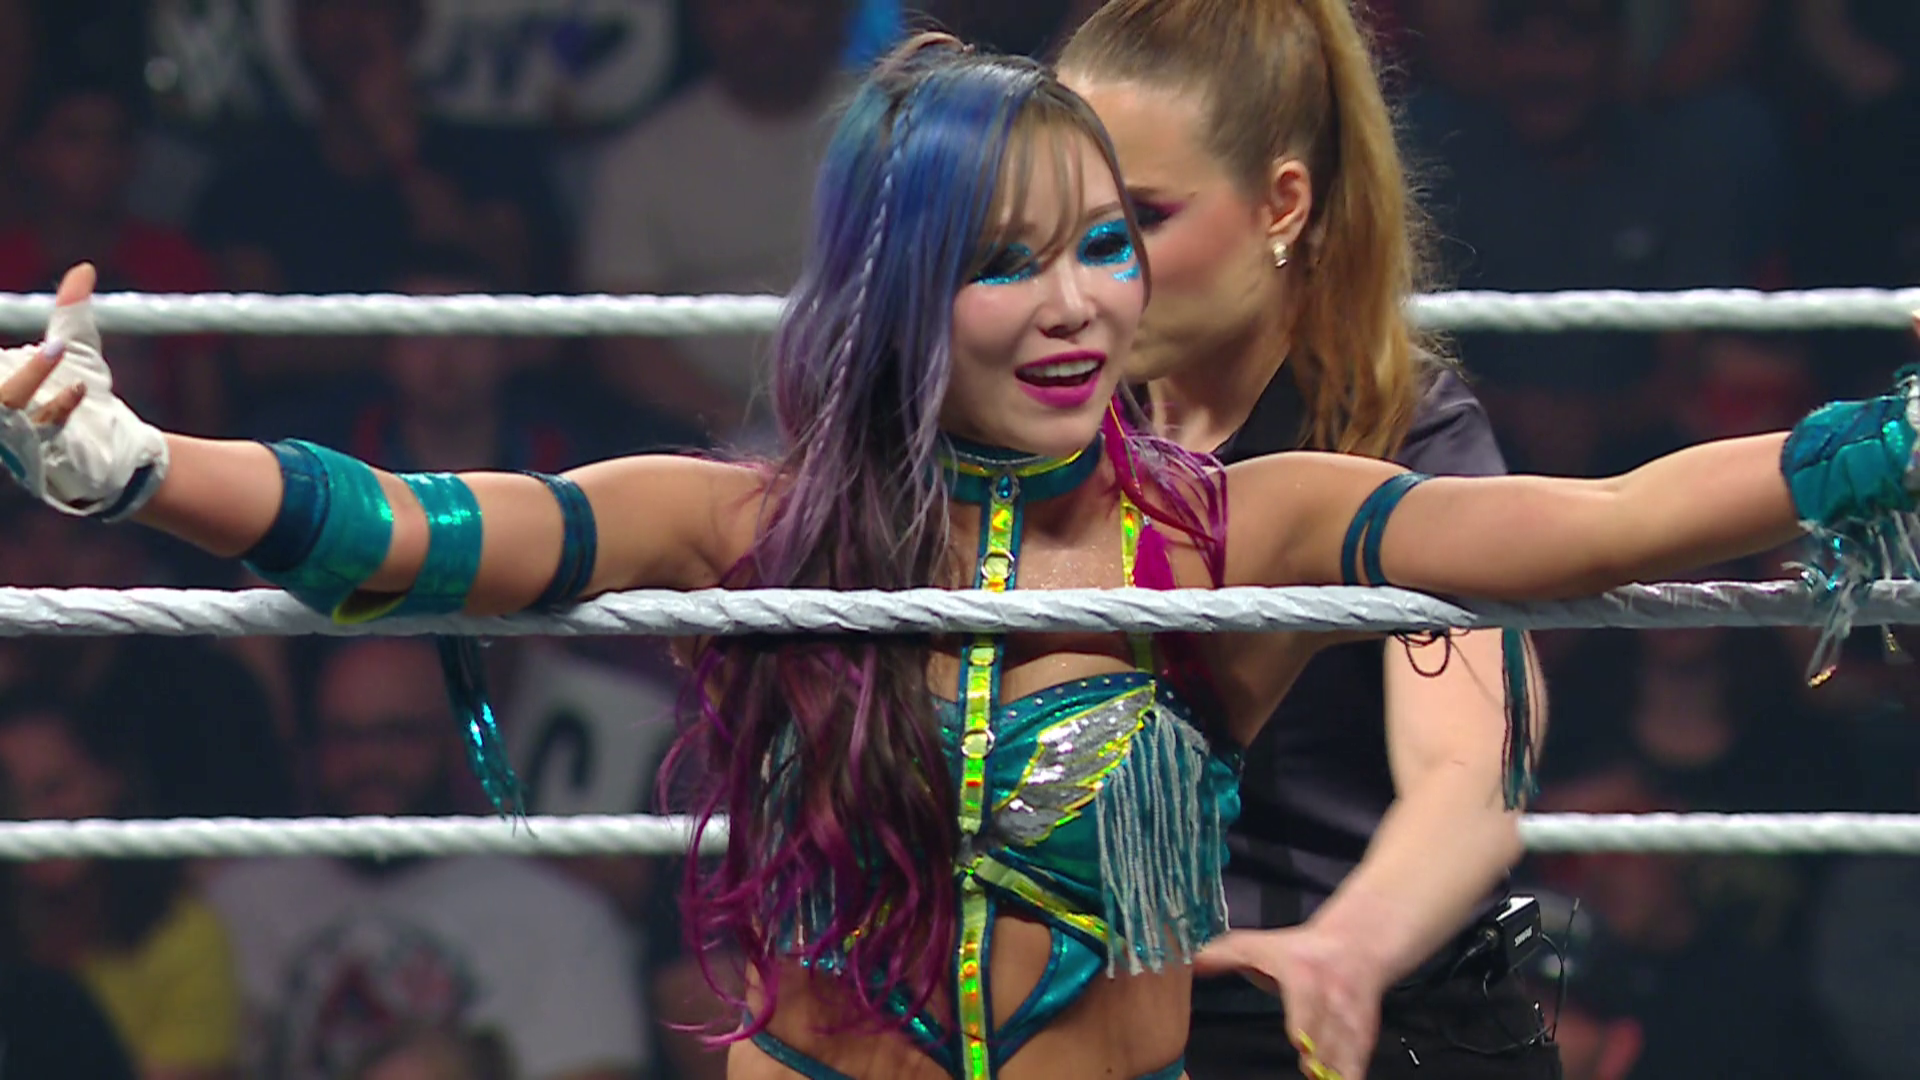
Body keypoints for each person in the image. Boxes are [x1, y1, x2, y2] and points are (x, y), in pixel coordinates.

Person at [0, 35, 1913, 1080]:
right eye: (1010, 263)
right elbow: (421, 534)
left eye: (1105, 244)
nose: (1081, 304)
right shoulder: (750, 524)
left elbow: (1599, 528)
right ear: (906, 293)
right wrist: (132, 464)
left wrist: (1880, 448)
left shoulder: (1241, 529)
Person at [1053, 1, 1556, 1076]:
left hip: (1356, 1016)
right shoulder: (1043, 427)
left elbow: (1473, 766)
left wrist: (1345, 951)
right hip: (1093, 1011)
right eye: (1074, 225)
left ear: (1282, 204)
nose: (1097, 272)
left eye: (1145, 217)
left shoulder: (1405, 436)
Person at [0, 690, 241, 1080]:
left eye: (54, 788)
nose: (33, 819)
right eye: (9, 800)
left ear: (110, 780)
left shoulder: (184, 938)